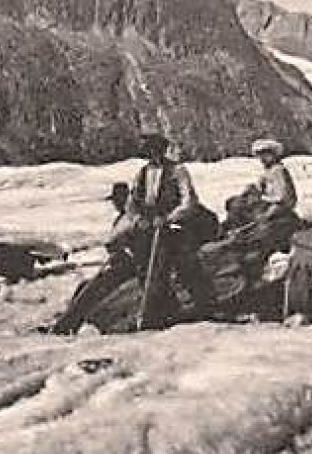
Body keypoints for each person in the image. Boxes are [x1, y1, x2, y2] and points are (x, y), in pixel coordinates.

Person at [124, 133, 215, 322]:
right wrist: (138, 219)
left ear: (162, 150)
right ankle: (159, 309)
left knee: (183, 262)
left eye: (155, 150)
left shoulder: (178, 170)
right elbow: (131, 204)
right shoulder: (141, 174)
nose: (152, 155)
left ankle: (202, 306)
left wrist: (168, 218)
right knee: (144, 265)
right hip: (149, 227)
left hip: (175, 225)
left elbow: (188, 200)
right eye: (148, 151)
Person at [49, 182, 138, 334]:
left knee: (96, 289)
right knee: (85, 287)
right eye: (115, 201)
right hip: (119, 263)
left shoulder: (135, 219)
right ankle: (68, 322)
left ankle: (68, 325)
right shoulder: (121, 220)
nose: (116, 204)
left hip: (130, 266)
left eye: (119, 200)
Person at [250, 138, 298, 221]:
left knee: (260, 219)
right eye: (260, 155)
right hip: (270, 203)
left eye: (266, 155)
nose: (262, 158)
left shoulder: (278, 170)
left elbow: (281, 196)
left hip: (280, 206)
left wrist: (263, 198)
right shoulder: (268, 172)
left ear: (274, 155)